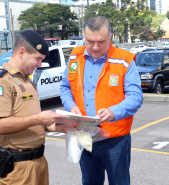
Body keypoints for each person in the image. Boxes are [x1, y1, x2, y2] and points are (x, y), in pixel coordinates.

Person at [60, 16, 143, 184]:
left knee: (119, 181)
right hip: (84, 134)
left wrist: (114, 112)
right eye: (90, 41)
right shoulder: (75, 58)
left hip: (115, 139)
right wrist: (71, 106)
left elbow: (135, 96)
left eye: (101, 42)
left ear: (110, 37)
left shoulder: (124, 60)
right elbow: (65, 88)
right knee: (90, 181)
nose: (95, 47)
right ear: (84, 37)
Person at [0, 30, 70, 185]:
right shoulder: (4, 81)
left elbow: (33, 124)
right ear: (22, 52)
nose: (40, 64)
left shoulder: (27, 81)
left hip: (38, 162)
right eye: (38, 59)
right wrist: (38, 118)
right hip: (17, 168)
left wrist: (61, 126)